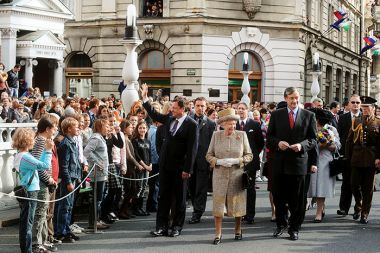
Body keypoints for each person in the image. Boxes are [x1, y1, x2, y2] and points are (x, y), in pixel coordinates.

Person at [141, 83, 198, 238]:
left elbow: (192, 149)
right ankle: (161, 226)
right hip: (165, 166)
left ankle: (177, 226)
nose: (172, 109)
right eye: (172, 107)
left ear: (183, 108)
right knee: (163, 197)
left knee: (179, 199)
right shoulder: (169, 119)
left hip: (181, 168)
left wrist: (188, 169)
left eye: (175, 107)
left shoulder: (192, 125)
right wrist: (145, 98)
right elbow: (155, 115)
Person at [267, 87, 317, 241]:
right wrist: (278, 143)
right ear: (285, 98)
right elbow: (269, 138)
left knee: (297, 199)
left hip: (298, 163)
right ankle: (281, 224)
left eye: (296, 98)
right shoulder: (276, 115)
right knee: (278, 197)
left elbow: (313, 139)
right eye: (291, 98)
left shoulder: (309, 115)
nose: (294, 101)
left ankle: (294, 228)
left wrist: (302, 145)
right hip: (279, 163)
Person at [205, 108, 253, 245]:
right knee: (218, 206)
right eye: (229, 124)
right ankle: (218, 234)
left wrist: (237, 161)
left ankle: (238, 230)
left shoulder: (242, 135)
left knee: (237, 203)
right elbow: (208, 155)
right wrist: (218, 161)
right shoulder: (216, 135)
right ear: (222, 124)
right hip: (219, 175)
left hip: (236, 174)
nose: (232, 126)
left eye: (234, 123)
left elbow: (249, 155)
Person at [12, 128, 53, 253]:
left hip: (26, 190)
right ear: (27, 140)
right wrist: (48, 151)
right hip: (30, 191)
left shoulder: (20, 155)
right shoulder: (25, 157)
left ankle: (26, 249)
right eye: (32, 139)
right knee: (27, 224)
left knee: (26, 222)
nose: (34, 141)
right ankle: (27, 250)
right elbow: (45, 165)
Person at [346, 96, 380, 224]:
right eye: (363, 108)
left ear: (373, 108)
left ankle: (365, 213)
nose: (365, 110)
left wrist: (378, 157)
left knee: (368, 188)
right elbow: (349, 140)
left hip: (371, 158)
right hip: (357, 157)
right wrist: (347, 157)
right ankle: (358, 204)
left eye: (367, 108)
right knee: (354, 185)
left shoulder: (378, 122)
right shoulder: (356, 121)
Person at [31, 115, 59, 253]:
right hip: (42, 182)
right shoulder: (40, 141)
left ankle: (43, 241)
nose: (55, 130)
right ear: (47, 129)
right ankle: (36, 243)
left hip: (45, 182)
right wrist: (48, 179)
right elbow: (36, 164)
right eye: (54, 128)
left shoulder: (44, 140)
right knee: (40, 213)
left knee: (43, 213)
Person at [307, 108, 341, 222]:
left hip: (325, 160)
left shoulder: (331, 129)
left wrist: (327, 144)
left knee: (321, 186)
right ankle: (315, 205)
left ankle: (319, 212)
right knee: (311, 186)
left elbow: (337, 146)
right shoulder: (308, 127)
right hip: (311, 160)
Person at [188, 97, 216, 224]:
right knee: (192, 187)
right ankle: (196, 207)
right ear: (194, 106)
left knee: (201, 188)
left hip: (203, 161)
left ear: (206, 107)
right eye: (198, 105)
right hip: (189, 161)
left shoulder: (211, 124)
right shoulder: (188, 121)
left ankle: (197, 212)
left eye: (202, 106)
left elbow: (213, 144)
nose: (200, 108)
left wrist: (211, 161)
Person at [236, 102, 264, 224]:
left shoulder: (255, 124)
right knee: (238, 188)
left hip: (251, 162)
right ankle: (240, 213)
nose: (241, 111)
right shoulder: (234, 124)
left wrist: (252, 155)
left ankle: (250, 214)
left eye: (243, 109)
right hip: (237, 162)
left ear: (247, 110)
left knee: (250, 189)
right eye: (239, 109)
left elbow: (260, 143)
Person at [55, 117, 82, 242]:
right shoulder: (65, 144)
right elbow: (64, 166)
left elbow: (75, 162)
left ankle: (66, 229)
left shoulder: (73, 142)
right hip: (68, 179)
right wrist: (68, 182)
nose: (78, 128)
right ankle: (61, 232)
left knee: (70, 206)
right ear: (69, 129)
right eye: (76, 126)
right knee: (64, 206)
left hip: (74, 177)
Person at [83, 119, 111, 230]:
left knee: (99, 198)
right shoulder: (95, 138)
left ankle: (97, 220)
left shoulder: (100, 138)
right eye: (106, 126)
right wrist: (98, 163)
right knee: (96, 198)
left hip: (101, 172)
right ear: (100, 127)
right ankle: (93, 222)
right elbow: (86, 152)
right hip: (96, 173)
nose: (108, 128)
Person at [336, 94, 362, 216]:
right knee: (346, 182)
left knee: (358, 184)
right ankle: (343, 208)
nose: (355, 105)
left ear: (360, 104)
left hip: (360, 157)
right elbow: (340, 137)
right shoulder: (342, 118)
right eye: (353, 102)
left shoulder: (364, 118)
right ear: (349, 104)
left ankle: (358, 208)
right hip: (346, 157)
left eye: (357, 102)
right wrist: (341, 154)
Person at [131, 120, 152, 216]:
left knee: (144, 188)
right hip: (140, 168)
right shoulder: (135, 141)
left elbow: (150, 154)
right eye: (140, 128)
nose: (142, 130)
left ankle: (140, 208)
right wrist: (144, 165)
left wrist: (150, 164)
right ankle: (135, 208)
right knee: (138, 188)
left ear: (146, 129)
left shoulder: (148, 141)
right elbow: (136, 155)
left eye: (144, 128)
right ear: (137, 129)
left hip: (147, 167)